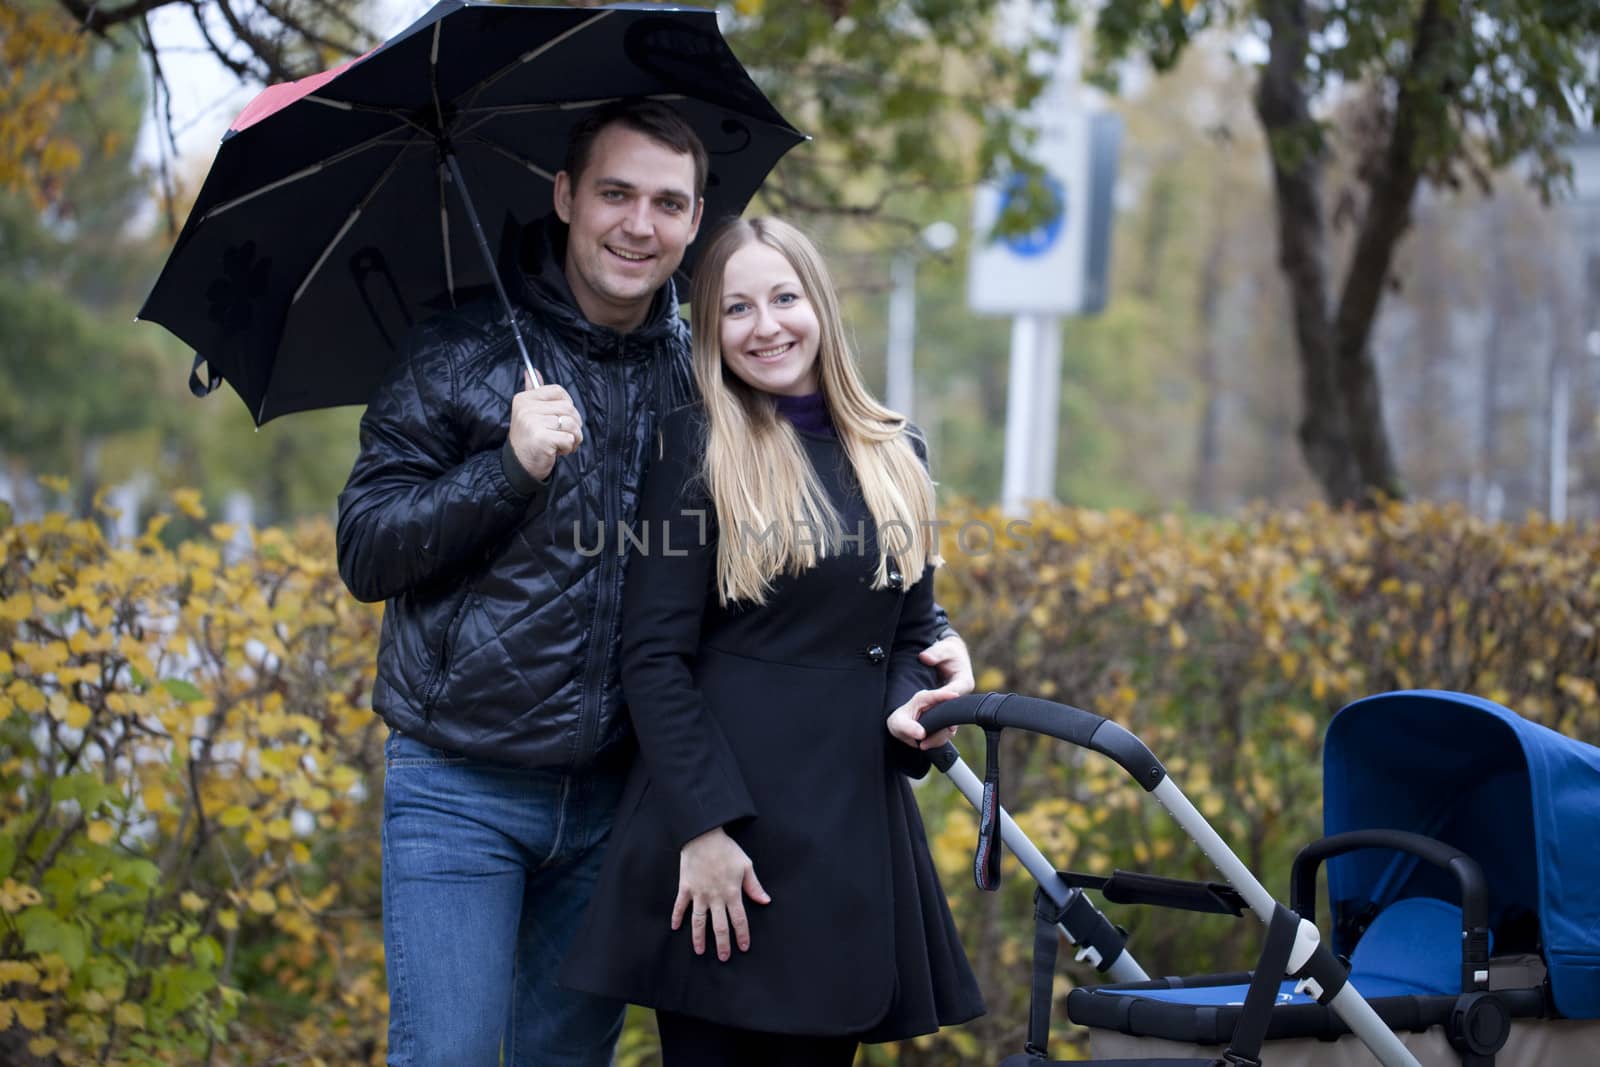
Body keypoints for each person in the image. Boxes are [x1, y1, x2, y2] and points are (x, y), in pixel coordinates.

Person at [336, 101, 975, 1066]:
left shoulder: (709, 371)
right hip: (465, 778)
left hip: (617, 792)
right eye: (616, 194)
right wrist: (506, 467)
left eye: (667, 203)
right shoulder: (460, 353)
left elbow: (824, 554)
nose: (640, 223)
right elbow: (366, 550)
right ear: (565, 197)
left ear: (695, 220)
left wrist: (929, 647)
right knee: (451, 1052)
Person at [562, 217, 986, 1066]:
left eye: (785, 297)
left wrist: (922, 702)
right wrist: (704, 829)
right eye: (737, 308)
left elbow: (910, 628)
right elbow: (653, 657)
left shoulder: (899, 450)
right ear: (711, 331)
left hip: (846, 835)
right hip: (728, 838)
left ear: (819, 306)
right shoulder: (696, 448)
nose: (768, 326)